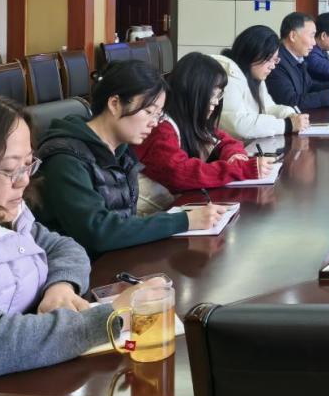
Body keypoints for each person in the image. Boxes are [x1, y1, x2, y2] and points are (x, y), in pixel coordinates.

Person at [0, 92, 147, 378]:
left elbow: (64, 247)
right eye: (10, 169)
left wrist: (61, 286)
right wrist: (110, 319)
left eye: (28, 164)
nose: (24, 180)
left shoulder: (4, 211)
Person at [33, 61, 228, 258]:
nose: (154, 123)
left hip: (117, 258)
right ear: (115, 104)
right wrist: (184, 221)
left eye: (158, 115)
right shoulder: (66, 159)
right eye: (148, 112)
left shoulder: (122, 150)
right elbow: (98, 232)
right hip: (82, 269)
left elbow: (123, 220)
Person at [134, 52, 276, 194]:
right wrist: (240, 169)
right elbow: (179, 173)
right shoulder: (161, 129)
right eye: (212, 95)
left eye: (219, 95)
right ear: (191, 92)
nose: (216, 102)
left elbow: (226, 141)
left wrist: (235, 157)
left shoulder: (194, 122)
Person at [214, 25, 310, 140]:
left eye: (275, 60)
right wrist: (287, 125)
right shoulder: (228, 76)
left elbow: (268, 108)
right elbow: (238, 124)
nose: (273, 66)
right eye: (269, 59)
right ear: (251, 53)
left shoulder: (254, 76)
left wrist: (290, 114)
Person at [266, 12, 329, 111]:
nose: (314, 42)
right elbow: (291, 102)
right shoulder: (276, 62)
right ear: (293, 36)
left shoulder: (297, 58)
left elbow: (309, 86)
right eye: (311, 36)